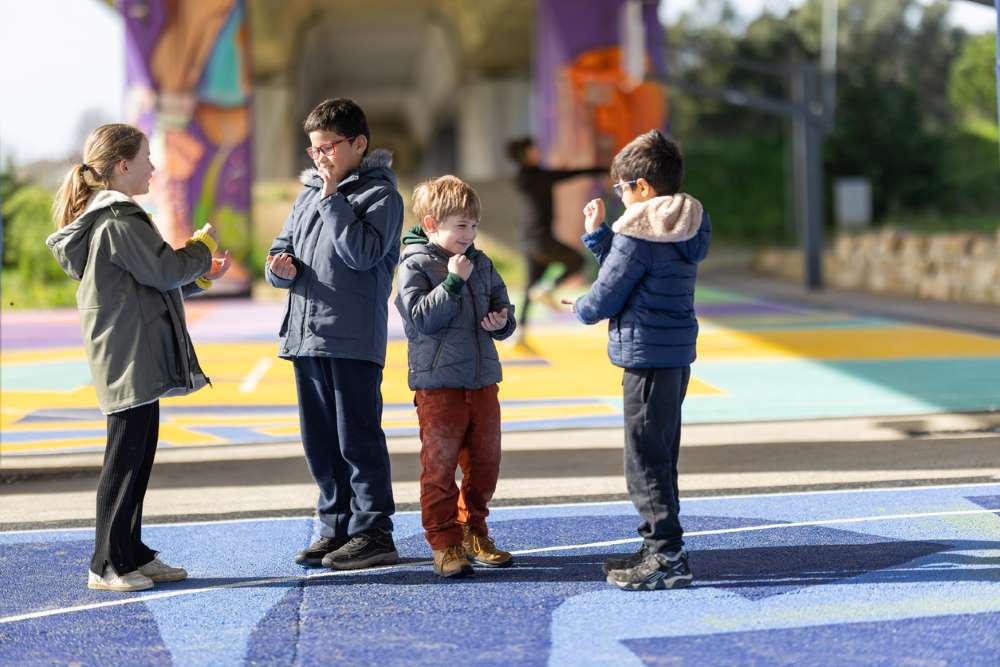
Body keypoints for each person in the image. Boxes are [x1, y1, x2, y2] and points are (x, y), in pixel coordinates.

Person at [46, 123, 231, 592]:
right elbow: (164, 268)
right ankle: (107, 563)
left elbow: (152, 279)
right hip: (129, 354)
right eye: (147, 158)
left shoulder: (115, 219)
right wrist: (199, 249)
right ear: (123, 166)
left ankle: (129, 553)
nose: (154, 167)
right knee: (125, 458)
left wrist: (201, 274)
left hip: (131, 353)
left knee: (137, 455)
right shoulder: (117, 219)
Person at [564, 129, 711, 591]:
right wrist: (598, 238)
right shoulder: (687, 223)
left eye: (621, 189)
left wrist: (581, 306)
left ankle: (667, 555)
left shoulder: (636, 233)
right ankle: (657, 544)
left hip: (644, 355)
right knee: (662, 454)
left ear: (642, 187)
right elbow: (639, 271)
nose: (620, 198)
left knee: (643, 460)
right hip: (674, 354)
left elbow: (608, 295)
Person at [265, 98, 403, 570]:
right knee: (319, 441)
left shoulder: (381, 197)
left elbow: (361, 254)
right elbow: (280, 250)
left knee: (357, 439)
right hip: (305, 335)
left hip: (352, 337)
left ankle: (374, 532)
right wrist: (278, 270)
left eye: (328, 147)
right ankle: (335, 527)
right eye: (314, 150)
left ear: (358, 145)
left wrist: (332, 199)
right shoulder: (308, 195)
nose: (320, 157)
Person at [394, 175, 517, 578]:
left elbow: (503, 305)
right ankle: (444, 543)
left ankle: (474, 530)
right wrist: (452, 281)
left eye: (474, 225)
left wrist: (501, 320)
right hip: (439, 387)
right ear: (431, 224)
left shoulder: (481, 263)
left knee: (486, 463)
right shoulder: (415, 265)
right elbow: (420, 319)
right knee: (440, 467)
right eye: (461, 226)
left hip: (482, 381)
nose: (470, 234)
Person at [507, 138, 604, 340]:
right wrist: (603, 170)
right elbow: (571, 174)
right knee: (577, 261)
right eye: (532, 149)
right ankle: (548, 287)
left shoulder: (522, 179)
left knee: (530, 287)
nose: (536, 151)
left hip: (528, 240)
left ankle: (519, 332)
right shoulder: (541, 176)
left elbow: (558, 174)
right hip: (542, 239)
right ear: (525, 154)